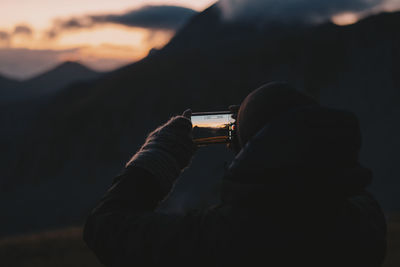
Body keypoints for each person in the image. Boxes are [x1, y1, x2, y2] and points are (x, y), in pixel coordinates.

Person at [83, 82, 387, 267]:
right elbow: (321, 177)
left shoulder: (223, 240)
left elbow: (106, 226)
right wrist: (260, 144)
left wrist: (161, 152)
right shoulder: (364, 223)